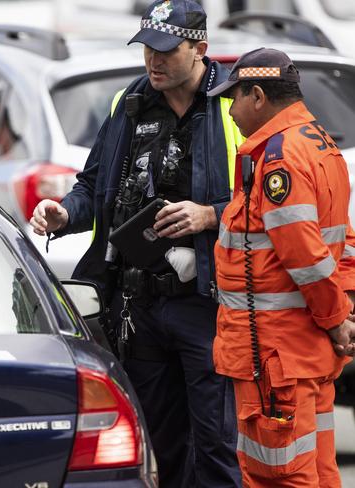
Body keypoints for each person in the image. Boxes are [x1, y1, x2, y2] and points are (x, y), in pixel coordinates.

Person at [30, 1, 242, 486]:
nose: (154, 60)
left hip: (206, 304)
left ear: (200, 49)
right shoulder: (130, 103)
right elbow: (93, 185)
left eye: (166, 50)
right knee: (158, 442)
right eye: (148, 48)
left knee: (215, 443)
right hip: (139, 306)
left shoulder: (234, 104)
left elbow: (267, 206)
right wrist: (63, 213)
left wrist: (209, 215)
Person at [209, 47, 355, 487]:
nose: (230, 111)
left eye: (233, 99)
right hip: (302, 352)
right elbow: (342, 242)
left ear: (258, 95)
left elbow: (305, 254)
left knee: (277, 475)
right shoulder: (320, 143)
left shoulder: (279, 158)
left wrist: (335, 320)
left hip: (274, 355)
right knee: (317, 468)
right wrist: (343, 312)